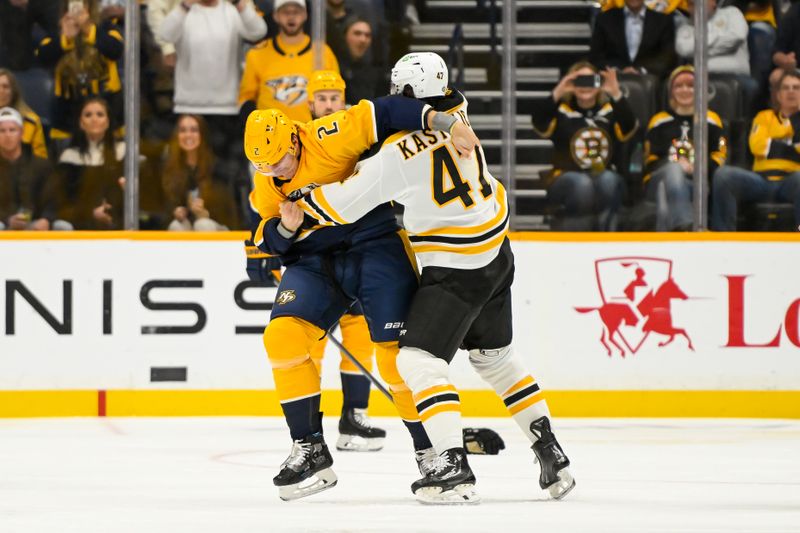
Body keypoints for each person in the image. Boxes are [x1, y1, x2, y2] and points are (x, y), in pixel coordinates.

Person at [297, 52, 575, 504]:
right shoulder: (458, 111)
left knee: (417, 362)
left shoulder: (395, 156)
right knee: (495, 359)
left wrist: (300, 196)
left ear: (406, 93)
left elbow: (340, 207)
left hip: (457, 268)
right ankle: (551, 450)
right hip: (498, 252)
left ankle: (450, 466)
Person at [243, 77, 479, 500]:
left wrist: (442, 121)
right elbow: (265, 234)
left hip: (374, 244)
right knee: (281, 338)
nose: (275, 172)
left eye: (279, 161)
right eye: (264, 166)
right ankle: (310, 448)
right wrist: (282, 228)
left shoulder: (327, 134)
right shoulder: (266, 176)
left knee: (394, 360)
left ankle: (431, 454)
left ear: (294, 140)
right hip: (316, 260)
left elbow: (386, 111)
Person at [531, 61, 637, 231]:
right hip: (566, 176)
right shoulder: (561, 111)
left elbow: (629, 127)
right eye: (580, 81)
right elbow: (538, 122)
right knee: (581, 184)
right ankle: (577, 241)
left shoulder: (610, 110)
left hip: (604, 173)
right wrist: (560, 90)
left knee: (609, 180)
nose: (585, 86)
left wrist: (615, 92)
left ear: (599, 83)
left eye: (591, 80)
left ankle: (607, 239)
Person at [160, 0, 266, 160]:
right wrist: (184, 7)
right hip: (190, 106)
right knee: (189, 165)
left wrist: (238, 4)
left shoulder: (231, 11)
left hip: (227, 107)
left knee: (223, 172)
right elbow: (164, 34)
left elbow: (258, 31)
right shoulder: (185, 12)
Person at [711, 69, 800, 230]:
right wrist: (791, 148)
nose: (791, 92)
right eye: (786, 88)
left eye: (796, 87)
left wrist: (773, 143)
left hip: (792, 180)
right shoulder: (764, 117)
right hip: (760, 181)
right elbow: (757, 146)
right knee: (724, 175)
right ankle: (722, 239)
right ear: (778, 95)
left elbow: (767, 146)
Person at [643, 65, 727, 231]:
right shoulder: (659, 121)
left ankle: (670, 238)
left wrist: (696, 169)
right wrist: (676, 166)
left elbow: (720, 155)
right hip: (659, 180)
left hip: (698, 182)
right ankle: (686, 227)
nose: (685, 90)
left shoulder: (711, 119)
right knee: (672, 174)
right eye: (678, 86)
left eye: (691, 85)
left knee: (667, 198)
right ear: (671, 91)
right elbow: (650, 160)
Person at [239, 0, 339, 123]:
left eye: (296, 12)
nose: (291, 17)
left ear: (305, 15)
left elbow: (337, 96)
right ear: (275, 15)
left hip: (312, 136)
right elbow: (246, 99)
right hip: (271, 137)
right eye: (285, 12)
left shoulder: (323, 53)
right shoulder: (257, 54)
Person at [36, 0, 124, 140]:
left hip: (108, 109)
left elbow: (115, 50)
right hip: (67, 115)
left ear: (90, 7)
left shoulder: (106, 27)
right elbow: (42, 57)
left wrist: (88, 30)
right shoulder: (55, 31)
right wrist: (64, 39)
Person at [674, 0, 757, 114]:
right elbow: (684, 49)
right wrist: (721, 40)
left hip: (735, 75)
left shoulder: (732, 13)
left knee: (752, 88)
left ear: (713, 2)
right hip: (699, 77)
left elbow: (737, 36)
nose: (697, 6)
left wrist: (699, 46)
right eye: (692, 4)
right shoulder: (685, 26)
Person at [55, 96, 125, 230]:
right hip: (80, 225)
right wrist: (90, 213)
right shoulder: (69, 157)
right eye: (88, 115)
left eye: (100, 114)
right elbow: (63, 205)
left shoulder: (124, 153)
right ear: (81, 123)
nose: (94, 119)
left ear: (108, 122)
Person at [162, 114, 238, 231]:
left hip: (217, 226)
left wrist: (206, 213)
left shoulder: (217, 168)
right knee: (176, 226)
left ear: (202, 134)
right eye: (183, 130)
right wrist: (176, 211)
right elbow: (163, 206)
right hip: (187, 225)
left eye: (194, 130)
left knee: (203, 224)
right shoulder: (170, 168)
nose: (188, 135)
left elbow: (229, 211)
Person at [589, 0, 677, 78]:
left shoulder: (663, 21)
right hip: (612, 81)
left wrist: (641, 70)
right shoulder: (604, 19)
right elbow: (596, 56)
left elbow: (668, 58)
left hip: (652, 84)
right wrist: (618, 70)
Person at [0, 107, 55, 230]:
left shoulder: (41, 165)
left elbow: (52, 199)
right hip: (4, 225)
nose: (7, 135)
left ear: (21, 133)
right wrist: (7, 220)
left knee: (62, 227)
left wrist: (46, 219)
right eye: (2, 131)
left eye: (12, 130)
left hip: (36, 224)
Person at [0, 69, 47, 159]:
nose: (1, 91)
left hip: (24, 170)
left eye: (5, 87)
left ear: (13, 92)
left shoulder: (31, 121)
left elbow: (40, 158)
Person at [338, 16, 386, 104]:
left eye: (367, 35)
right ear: (344, 36)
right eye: (357, 33)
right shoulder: (333, 66)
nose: (363, 39)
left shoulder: (374, 74)